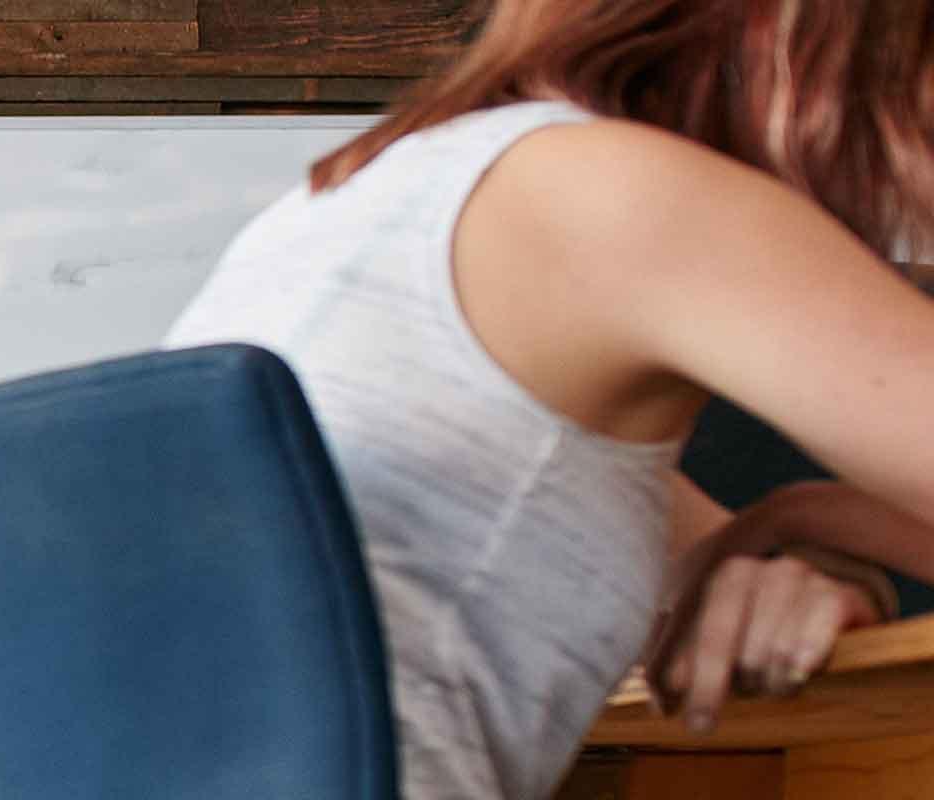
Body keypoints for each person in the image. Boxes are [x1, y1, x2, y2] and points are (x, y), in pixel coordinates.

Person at [158, 0, 934, 796]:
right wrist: (810, 513)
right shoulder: (625, 192)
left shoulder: (370, 200)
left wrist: (816, 547)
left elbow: (699, 564)